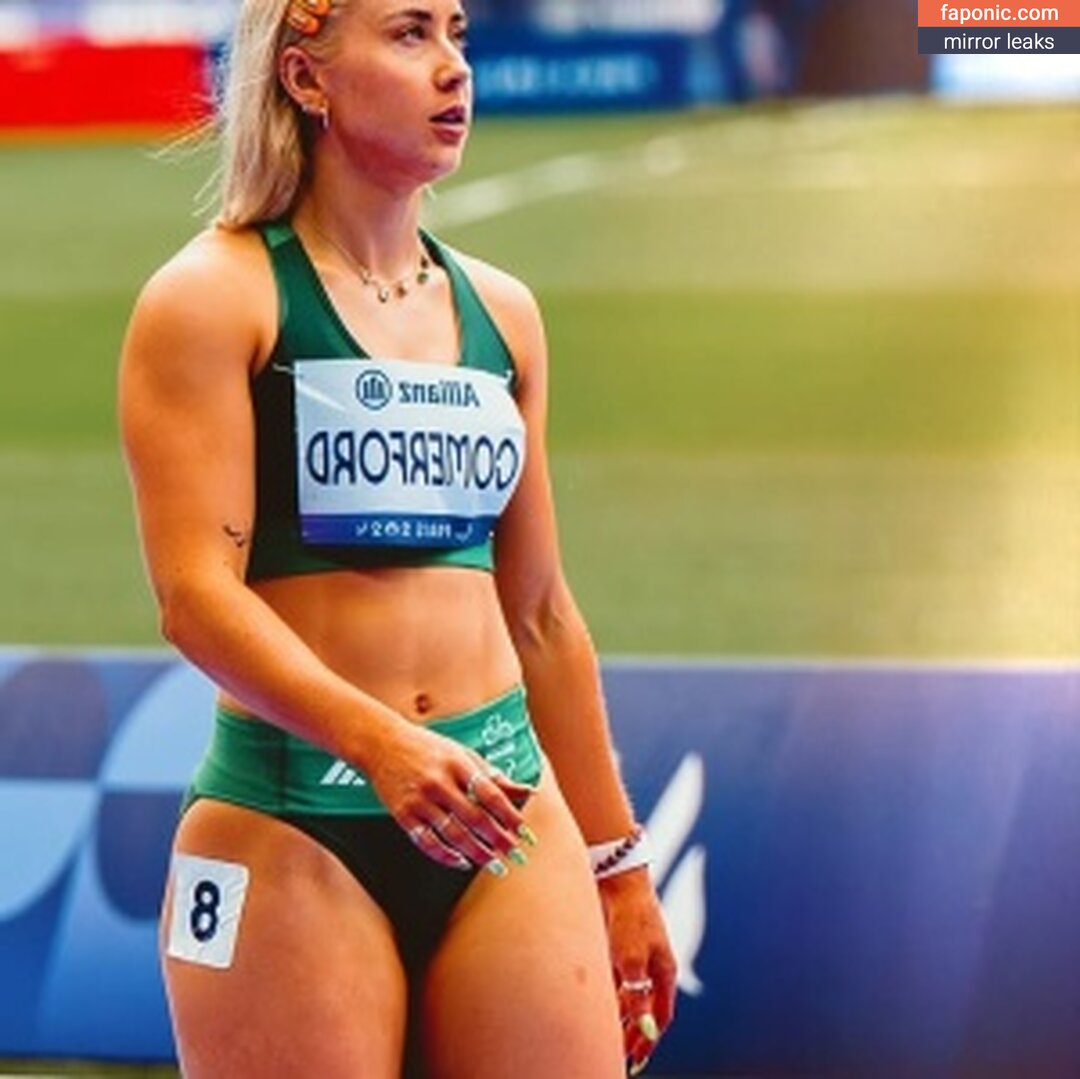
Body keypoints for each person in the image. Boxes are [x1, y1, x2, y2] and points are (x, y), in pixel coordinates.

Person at [118, 1, 677, 1076]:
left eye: (458, 33)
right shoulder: (213, 298)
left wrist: (619, 862)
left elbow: (542, 613)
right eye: (411, 34)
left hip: (503, 810)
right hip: (295, 817)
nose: (454, 67)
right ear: (306, 78)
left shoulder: (502, 314)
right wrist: (380, 746)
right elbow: (196, 596)